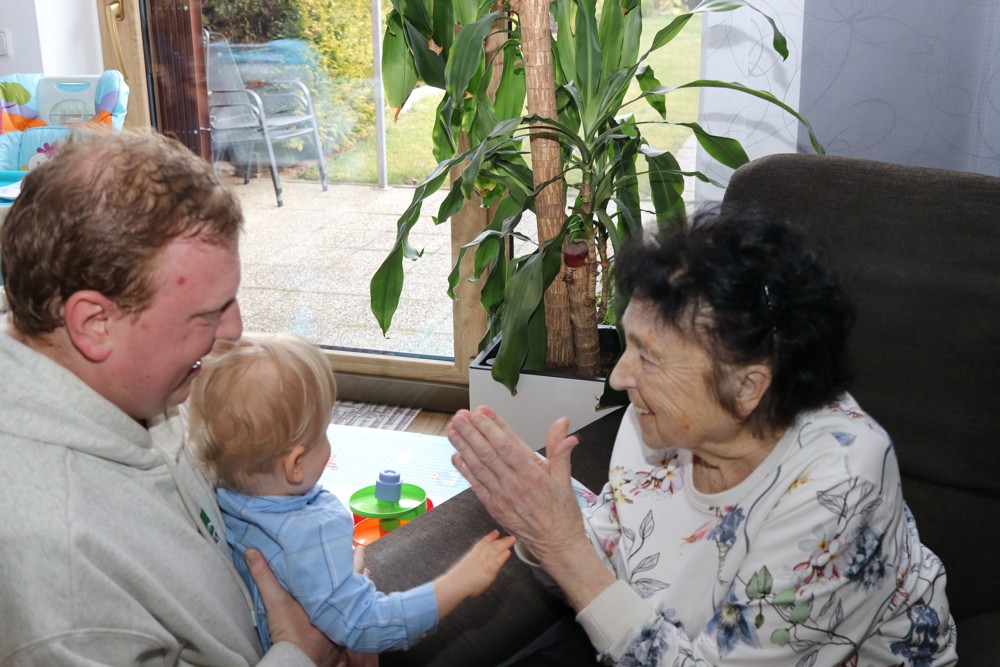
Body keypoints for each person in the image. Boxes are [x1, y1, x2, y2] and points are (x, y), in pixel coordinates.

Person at [447, 207, 959, 666]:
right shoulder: (658, 421)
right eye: (629, 345)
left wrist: (563, 546)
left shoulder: (840, 481)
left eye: (649, 356)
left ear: (747, 386)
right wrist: (546, 520)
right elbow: (613, 566)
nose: (620, 377)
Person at [0, 128, 341, 666]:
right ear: (95, 323)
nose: (234, 329)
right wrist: (302, 653)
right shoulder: (60, 572)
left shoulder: (129, 382)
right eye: (207, 313)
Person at [187, 332, 516, 654]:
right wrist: (458, 582)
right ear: (295, 465)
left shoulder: (227, 492)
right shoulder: (310, 531)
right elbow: (364, 625)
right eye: (323, 434)